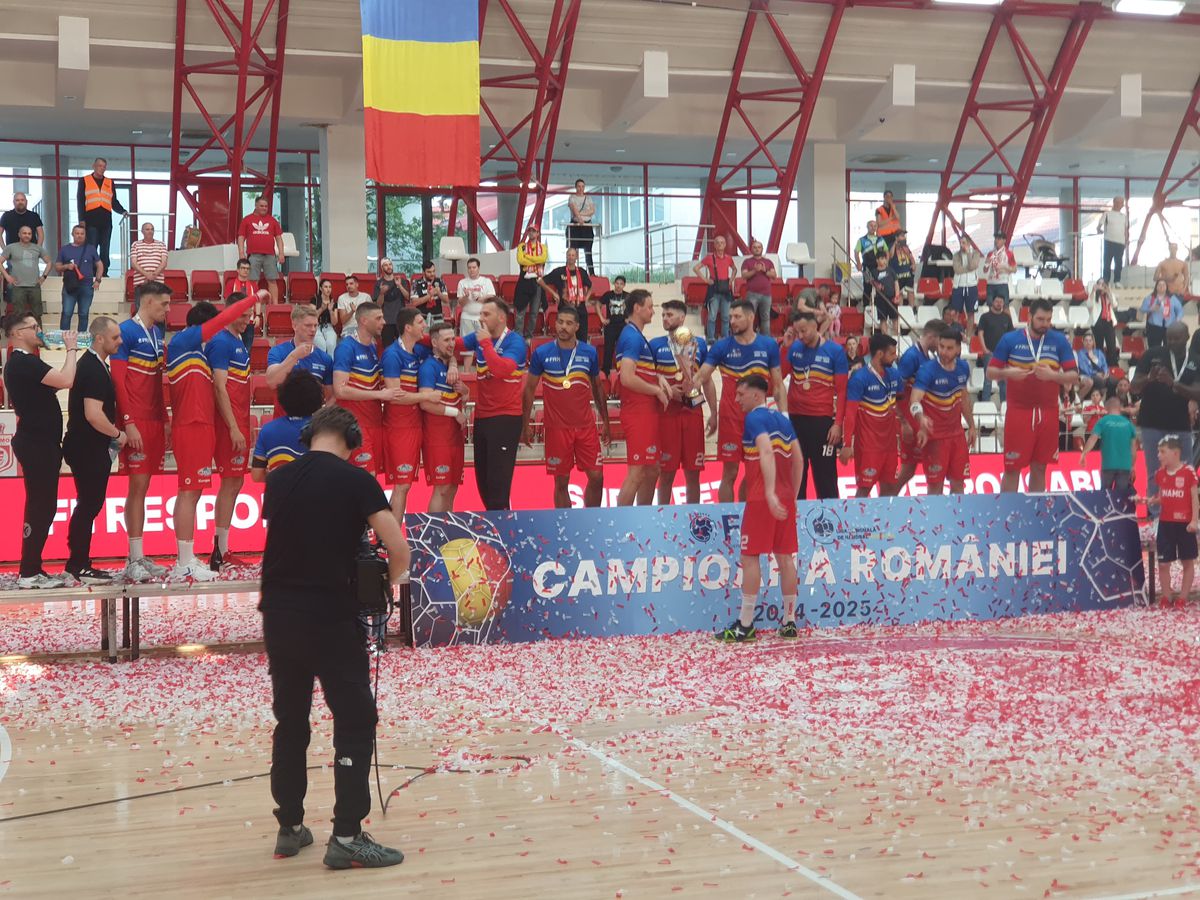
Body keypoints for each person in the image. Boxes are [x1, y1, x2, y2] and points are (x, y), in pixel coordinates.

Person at [259, 404, 408, 870]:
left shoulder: (278, 480)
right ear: (352, 438)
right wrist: (390, 584)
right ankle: (346, 835)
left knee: (291, 719)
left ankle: (290, 826)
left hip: (280, 616)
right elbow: (397, 547)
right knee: (355, 719)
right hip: (330, 615)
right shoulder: (356, 481)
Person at [165, 290, 260, 581]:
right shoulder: (191, 341)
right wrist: (232, 427)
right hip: (196, 424)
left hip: (204, 423)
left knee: (212, 486)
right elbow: (220, 389)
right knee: (190, 490)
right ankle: (186, 561)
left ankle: (212, 552)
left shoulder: (202, 348)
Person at [716, 374, 803, 644]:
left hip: (761, 499)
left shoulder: (754, 418)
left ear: (756, 395)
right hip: (786, 498)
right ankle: (789, 622)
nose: (737, 399)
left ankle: (745, 625)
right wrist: (792, 495)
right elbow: (799, 459)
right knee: (785, 558)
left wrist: (768, 491)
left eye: (740, 394)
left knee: (751, 556)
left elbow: (765, 451)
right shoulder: (783, 420)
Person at [2, 313, 77, 588]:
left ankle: (32, 568)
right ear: (17, 333)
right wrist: (70, 349)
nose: (39, 331)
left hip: (41, 443)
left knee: (43, 506)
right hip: (36, 444)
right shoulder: (23, 363)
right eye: (33, 327)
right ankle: (29, 571)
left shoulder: (25, 362)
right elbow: (67, 379)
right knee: (40, 507)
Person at [696, 300, 786, 504]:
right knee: (730, 472)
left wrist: (784, 418)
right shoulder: (721, 346)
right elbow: (701, 377)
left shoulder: (769, 345)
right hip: (731, 418)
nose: (732, 321)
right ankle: (727, 517)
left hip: (760, 421)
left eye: (737, 317)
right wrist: (693, 395)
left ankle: (747, 513)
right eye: (731, 317)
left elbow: (779, 386)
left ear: (751, 317)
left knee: (756, 471)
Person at [112, 281, 172, 581]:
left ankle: (139, 556)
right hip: (135, 420)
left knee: (144, 489)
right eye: (163, 304)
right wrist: (128, 421)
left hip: (153, 420)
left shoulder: (156, 333)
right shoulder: (126, 331)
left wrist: (163, 417)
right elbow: (119, 380)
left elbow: (157, 382)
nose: (167, 309)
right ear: (147, 302)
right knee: (136, 489)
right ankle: (133, 560)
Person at [987, 298, 1079, 493]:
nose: (1045, 324)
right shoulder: (1010, 339)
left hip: (1048, 412)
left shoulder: (1059, 340)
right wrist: (1007, 373)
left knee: (1040, 467)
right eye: (1040, 319)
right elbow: (990, 372)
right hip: (1019, 412)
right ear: (1029, 317)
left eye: (1048, 319)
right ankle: (1008, 514)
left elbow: (1074, 375)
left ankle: (1035, 515)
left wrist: (1054, 376)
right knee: (1012, 468)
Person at [523, 306, 609, 508]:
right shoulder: (541, 353)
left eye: (569, 323)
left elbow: (597, 388)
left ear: (577, 326)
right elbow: (528, 390)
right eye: (560, 321)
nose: (563, 326)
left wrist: (605, 421)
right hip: (556, 429)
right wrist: (524, 424)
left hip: (586, 427)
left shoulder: (589, 352)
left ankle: (591, 519)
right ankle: (565, 524)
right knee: (561, 482)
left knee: (597, 477)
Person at [63, 316, 126, 584]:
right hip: (87, 448)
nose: (120, 342)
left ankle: (78, 562)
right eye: (115, 337)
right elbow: (93, 414)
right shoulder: (91, 368)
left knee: (88, 505)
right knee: (88, 505)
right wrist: (118, 434)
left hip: (87, 446)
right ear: (99, 339)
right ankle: (78, 564)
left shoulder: (95, 365)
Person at [207, 294, 257, 570]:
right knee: (229, 482)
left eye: (249, 316)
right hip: (229, 425)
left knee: (236, 482)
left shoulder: (238, 341)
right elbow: (219, 387)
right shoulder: (220, 342)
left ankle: (223, 548)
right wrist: (234, 427)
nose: (246, 321)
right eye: (241, 316)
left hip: (240, 420)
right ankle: (219, 552)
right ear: (228, 313)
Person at [381, 307, 444, 521]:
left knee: (405, 485)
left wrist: (452, 363)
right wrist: (426, 397)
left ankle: (389, 540)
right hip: (399, 427)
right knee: (402, 485)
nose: (424, 325)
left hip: (417, 423)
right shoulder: (392, 355)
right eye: (420, 322)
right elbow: (394, 395)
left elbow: (446, 351)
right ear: (408, 328)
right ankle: (390, 543)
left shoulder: (418, 350)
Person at [463, 298, 527, 509]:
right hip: (482, 417)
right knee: (484, 484)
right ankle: (497, 531)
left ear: (501, 317)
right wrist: (417, 337)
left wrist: (485, 344)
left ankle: (502, 537)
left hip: (505, 419)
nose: (480, 318)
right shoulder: (482, 337)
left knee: (498, 486)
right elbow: (453, 344)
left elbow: (501, 370)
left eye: (486, 314)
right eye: (480, 314)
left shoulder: (515, 342)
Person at [651, 300, 715, 504]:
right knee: (666, 473)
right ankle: (662, 517)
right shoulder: (655, 345)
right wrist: (668, 392)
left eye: (669, 315)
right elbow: (649, 378)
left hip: (692, 412)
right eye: (663, 315)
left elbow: (707, 380)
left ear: (682, 318)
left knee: (693, 474)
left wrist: (714, 413)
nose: (665, 318)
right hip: (666, 414)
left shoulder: (698, 344)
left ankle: (692, 518)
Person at [781, 310, 848, 501]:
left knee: (825, 476)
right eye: (797, 332)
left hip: (822, 423)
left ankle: (830, 522)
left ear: (815, 326)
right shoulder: (794, 348)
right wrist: (785, 348)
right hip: (795, 421)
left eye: (804, 331)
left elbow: (842, 391)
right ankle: (797, 522)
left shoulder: (835, 352)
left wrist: (838, 424)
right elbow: (777, 381)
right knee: (797, 475)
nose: (800, 336)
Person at [615, 289, 671, 506]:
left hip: (646, 411)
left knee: (652, 469)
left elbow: (639, 371)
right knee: (637, 472)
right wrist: (656, 390)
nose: (653, 312)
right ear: (637, 308)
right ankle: (622, 525)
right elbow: (627, 378)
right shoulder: (630, 336)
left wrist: (657, 377)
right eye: (650, 307)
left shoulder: (636, 336)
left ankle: (644, 518)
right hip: (637, 412)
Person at [1133, 322, 1198, 496]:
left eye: (1176, 338)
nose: (1171, 342)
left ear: (1186, 338)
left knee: (1185, 472)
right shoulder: (1152, 354)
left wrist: (1173, 383)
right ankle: (1155, 517)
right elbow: (1134, 387)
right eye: (1168, 338)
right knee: (1155, 473)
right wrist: (1148, 378)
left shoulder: (1195, 360)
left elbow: (1198, 393)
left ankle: (1185, 515)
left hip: (1180, 424)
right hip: (1152, 423)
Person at [910, 328, 975, 495]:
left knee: (959, 485)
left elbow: (964, 399)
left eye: (949, 348)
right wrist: (921, 417)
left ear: (959, 349)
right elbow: (914, 400)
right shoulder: (927, 370)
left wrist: (972, 426)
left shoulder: (963, 368)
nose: (943, 352)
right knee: (935, 488)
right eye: (941, 347)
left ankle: (957, 521)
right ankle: (934, 521)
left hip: (957, 435)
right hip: (935, 437)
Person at [839, 332, 902, 499]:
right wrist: (846, 444)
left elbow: (902, 404)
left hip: (889, 444)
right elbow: (850, 413)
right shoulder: (859, 378)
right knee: (864, 489)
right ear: (880, 354)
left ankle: (886, 524)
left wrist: (906, 427)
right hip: (868, 445)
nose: (895, 357)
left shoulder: (894, 375)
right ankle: (856, 525)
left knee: (889, 488)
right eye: (892, 353)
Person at [333, 302, 393, 474]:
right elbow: (340, 390)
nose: (384, 322)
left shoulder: (374, 347)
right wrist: (379, 394)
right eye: (379, 318)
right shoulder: (346, 347)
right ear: (364, 321)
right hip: (355, 424)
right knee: (366, 477)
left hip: (375, 421)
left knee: (371, 481)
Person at [1140, 435, 1198, 608]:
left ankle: (1183, 598)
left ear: (1175, 453)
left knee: (1187, 561)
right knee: (1163, 562)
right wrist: (1151, 500)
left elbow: (1194, 498)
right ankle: (1166, 596)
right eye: (1158, 452)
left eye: (1162, 452)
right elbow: (1162, 496)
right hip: (1165, 524)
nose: (1158, 455)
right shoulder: (1160, 474)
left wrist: (1194, 520)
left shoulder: (1188, 472)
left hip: (1185, 525)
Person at [418, 321, 470, 512]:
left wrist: (465, 391)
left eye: (453, 339)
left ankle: (447, 533)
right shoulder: (428, 368)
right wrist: (455, 412)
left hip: (455, 436)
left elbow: (462, 398)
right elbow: (425, 402)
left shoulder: (450, 366)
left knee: (453, 488)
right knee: (442, 488)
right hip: (437, 438)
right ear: (434, 342)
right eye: (446, 340)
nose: (452, 344)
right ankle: (434, 535)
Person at [895, 320, 949, 492]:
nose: (941, 346)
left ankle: (889, 499)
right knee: (910, 469)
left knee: (913, 469)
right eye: (940, 341)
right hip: (911, 421)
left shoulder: (927, 356)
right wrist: (903, 423)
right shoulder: (911, 356)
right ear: (932, 337)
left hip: (919, 420)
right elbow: (896, 391)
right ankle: (886, 499)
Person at [251, 369, 324, 481]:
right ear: (317, 398)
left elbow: (257, 476)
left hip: (279, 495)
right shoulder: (324, 430)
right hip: (315, 493)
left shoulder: (268, 430)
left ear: (283, 397)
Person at [266, 304, 333, 417]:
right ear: (294, 325)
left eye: (315, 325)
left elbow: (331, 396)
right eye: (308, 325)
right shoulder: (278, 351)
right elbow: (272, 382)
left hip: (311, 426)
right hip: (284, 422)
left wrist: (320, 417)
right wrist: (294, 356)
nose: (313, 330)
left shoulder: (324, 358)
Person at [76, 157, 126, 276]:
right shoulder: (84, 180)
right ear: (94, 166)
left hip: (106, 221)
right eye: (99, 166)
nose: (102, 168)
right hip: (91, 219)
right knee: (92, 246)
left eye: (104, 166)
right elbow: (80, 201)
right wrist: (81, 220)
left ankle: (103, 272)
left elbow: (113, 201)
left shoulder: (109, 182)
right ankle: (91, 272)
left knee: (105, 248)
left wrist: (123, 211)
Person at [1079, 395, 1138, 492]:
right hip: (1125, 466)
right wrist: (1132, 466)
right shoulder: (1128, 424)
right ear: (1119, 408)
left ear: (1106, 408)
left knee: (1105, 497)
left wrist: (1084, 453)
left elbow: (1092, 439)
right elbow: (1133, 448)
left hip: (1108, 465)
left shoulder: (1102, 422)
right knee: (1121, 497)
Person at [55, 223, 104, 331]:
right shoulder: (64, 249)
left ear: (85, 235)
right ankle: (64, 338)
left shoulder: (91, 249)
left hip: (87, 286)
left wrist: (98, 280)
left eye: (82, 233)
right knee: (67, 312)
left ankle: (81, 339)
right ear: (73, 234)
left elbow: (100, 265)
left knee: (83, 314)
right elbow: (57, 267)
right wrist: (67, 266)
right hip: (70, 286)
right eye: (77, 233)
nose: (79, 235)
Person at [236, 195, 284, 306]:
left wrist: (281, 253)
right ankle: (251, 304)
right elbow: (241, 237)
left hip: (270, 255)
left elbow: (279, 238)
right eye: (261, 206)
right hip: (253, 255)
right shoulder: (247, 219)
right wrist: (241, 253)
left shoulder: (272, 220)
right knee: (253, 280)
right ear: (256, 206)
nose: (264, 208)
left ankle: (275, 306)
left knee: (272, 280)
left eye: (266, 206)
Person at [1, 226, 52, 324]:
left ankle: (38, 336)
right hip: (18, 286)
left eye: (29, 233)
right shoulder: (11, 247)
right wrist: (7, 277)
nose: (27, 235)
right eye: (24, 233)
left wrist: (43, 277)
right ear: (19, 234)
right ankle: (18, 336)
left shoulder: (37, 248)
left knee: (37, 314)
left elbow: (49, 262)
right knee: (18, 315)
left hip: (34, 286)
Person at [541, 248, 593, 338]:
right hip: (565, 310)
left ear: (576, 257)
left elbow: (590, 286)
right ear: (566, 256)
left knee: (582, 338)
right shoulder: (559, 271)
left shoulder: (581, 272)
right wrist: (553, 293)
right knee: (566, 337)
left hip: (580, 309)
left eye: (573, 255)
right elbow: (541, 281)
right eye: (569, 255)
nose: (571, 257)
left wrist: (586, 299)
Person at [694, 234, 736, 343]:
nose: (720, 245)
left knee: (726, 316)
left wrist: (731, 280)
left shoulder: (729, 258)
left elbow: (734, 269)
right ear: (714, 245)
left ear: (725, 245)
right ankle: (711, 338)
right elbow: (696, 268)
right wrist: (706, 280)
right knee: (712, 316)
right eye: (717, 242)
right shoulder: (709, 258)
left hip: (726, 290)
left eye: (722, 242)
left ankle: (725, 338)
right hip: (714, 290)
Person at [976, 294, 1014, 404]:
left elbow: (1011, 336)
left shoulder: (1007, 317)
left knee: (1004, 381)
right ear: (992, 302)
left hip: (1003, 354)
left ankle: (1004, 405)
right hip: (990, 353)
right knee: (988, 381)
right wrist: (984, 349)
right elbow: (980, 333)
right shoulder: (985, 317)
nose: (999, 303)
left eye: (1001, 302)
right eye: (997, 301)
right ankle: (985, 405)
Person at [514, 225, 548, 340]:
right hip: (524, 280)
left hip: (537, 281)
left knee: (534, 312)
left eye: (534, 231)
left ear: (538, 233)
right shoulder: (522, 246)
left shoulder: (543, 247)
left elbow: (542, 259)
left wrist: (527, 257)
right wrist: (534, 260)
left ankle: (529, 336)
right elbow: (520, 260)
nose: (531, 233)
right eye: (530, 231)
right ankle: (518, 336)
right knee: (520, 311)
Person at [948, 236, 983, 338]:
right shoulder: (956, 255)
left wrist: (968, 253)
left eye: (963, 242)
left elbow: (973, 265)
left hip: (971, 285)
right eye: (960, 243)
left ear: (968, 243)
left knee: (971, 313)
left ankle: (968, 337)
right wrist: (969, 268)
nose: (961, 245)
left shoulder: (975, 254)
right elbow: (957, 270)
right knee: (954, 311)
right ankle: (956, 334)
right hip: (958, 285)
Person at [740, 240, 776, 335]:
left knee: (766, 318)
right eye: (755, 247)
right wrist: (755, 270)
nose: (757, 249)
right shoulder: (747, 262)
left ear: (762, 249)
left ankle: (765, 340)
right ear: (752, 249)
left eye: (759, 247)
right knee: (750, 317)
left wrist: (765, 271)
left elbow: (774, 275)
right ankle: (748, 337)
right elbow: (744, 276)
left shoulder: (768, 262)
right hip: (752, 294)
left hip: (766, 294)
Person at [225, 257, 265, 342]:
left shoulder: (253, 285)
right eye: (243, 268)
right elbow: (228, 301)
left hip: (249, 321)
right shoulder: (231, 283)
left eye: (247, 269)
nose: (245, 270)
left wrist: (257, 316)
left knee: (247, 349)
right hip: (234, 320)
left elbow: (257, 302)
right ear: (238, 270)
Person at [596, 274, 629, 373]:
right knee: (608, 349)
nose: (619, 285)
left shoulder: (628, 296)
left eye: (621, 284)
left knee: (622, 348)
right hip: (610, 325)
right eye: (617, 283)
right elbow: (598, 304)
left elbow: (635, 307)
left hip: (623, 325)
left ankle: (622, 370)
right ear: (614, 284)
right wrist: (602, 318)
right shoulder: (608, 295)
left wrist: (630, 319)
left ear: (624, 285)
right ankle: (606, 371)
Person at [373, 259, 410, 347]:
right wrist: (382, 293)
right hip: (386, 321)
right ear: (382, 268)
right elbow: (378, 305)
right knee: (388, 347)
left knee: (403, 346)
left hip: (400, 320)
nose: (389, 267)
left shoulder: (401, 280)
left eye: (390, 264)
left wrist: (399, 285)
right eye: (386, 265)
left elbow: (407, 297)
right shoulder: (379, 283)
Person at [455, 257, 495, 337]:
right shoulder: (462, 282)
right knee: (466, 345)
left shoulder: (486, 281)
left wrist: (481, 297)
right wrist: (465, 296)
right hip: (467, 317)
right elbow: (460, 302)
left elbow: (492, 297)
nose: (471, 270)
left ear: (478, 268)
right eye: (469, 268)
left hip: (482, 317)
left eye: (474, 267)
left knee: (483, 343)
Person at [1140, 278, 1183, 349]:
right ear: (1156, 287)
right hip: (1154, 326)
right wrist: (1151, 309)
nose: (1161, 287)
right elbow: (1142, 309)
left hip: (1169, 326)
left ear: (1166, 287)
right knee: (1154, 347)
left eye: (1163, 285)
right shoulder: (1150, 298)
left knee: (1169, 347)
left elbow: (1180, 310)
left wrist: (1178, 319)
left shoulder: (1172, 298)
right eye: (1159, 285)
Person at [853, 221, 887, 310]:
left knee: (880, 287)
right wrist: (858, 263)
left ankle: (879, 307)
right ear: (867, 227)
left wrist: (886, 262)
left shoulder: (880, 239)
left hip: (880, 268)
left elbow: (886, 251)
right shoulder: (862, 240)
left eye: (875, 226)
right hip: (868, 267)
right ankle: (865, 307)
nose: (873, 227)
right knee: (867, 287)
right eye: (871, 226)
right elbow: (856, 252)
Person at [566, 178, 596, 271]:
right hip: (575, 226)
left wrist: (581, 214)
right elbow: (574, 210)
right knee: (572, 250)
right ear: (576, 187)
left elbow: (592, 211)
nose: (581, 188)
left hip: (587, 226)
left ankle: (591, 272)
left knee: (588, 250)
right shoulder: (572, 198)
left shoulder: (588, 198)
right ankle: (569, 270)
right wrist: (579, 217)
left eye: (582, 186)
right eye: (579, 186)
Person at [128, 222, 168, 287]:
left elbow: (164, 263)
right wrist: (147, 275)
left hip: (158, 284)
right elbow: (133, 263)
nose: (150, 231)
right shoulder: (135, 244)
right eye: (147, 229)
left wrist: (153, 275)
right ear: (142, 231)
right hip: (140, 283)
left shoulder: (162, 244)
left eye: (152, 229)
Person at [410, 259, 448, 326]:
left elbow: (446, 300)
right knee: (424, 336)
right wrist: (429, 295)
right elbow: (414, 303)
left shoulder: (440, 281)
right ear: (423, 272)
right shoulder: (416, 283)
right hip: (422, 318)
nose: (432, 274)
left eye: (433, 271)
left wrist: (439, 293)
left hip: (438, 317)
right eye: (429, 272)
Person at [1091, 279, 1119, 367]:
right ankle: (1100, 365)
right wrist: (1093, 291)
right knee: (1099, 346)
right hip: (1098, 323)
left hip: (1109, 321)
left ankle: (1112, 366)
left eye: (1103, 284)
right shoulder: (1094, 295)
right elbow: (1089, 305)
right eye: (1099, 284)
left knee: (1111, 345)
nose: (1101, 286)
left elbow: (1114, 305)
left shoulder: (1109, 294)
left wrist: (1109, 292)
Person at [1099, 197, 1127, 285]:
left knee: (1118, 263)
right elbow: (1099, 226)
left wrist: (1126, 241)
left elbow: (1126, 230)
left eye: (1122, 203)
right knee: (1107, 262)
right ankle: (1106, 280)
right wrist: (1099, 230)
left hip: (1120, 243)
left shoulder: (1124, 217)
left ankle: (1117, 281)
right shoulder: (1107, 214)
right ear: (1114, 202)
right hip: (1109, 241)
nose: (1121, 204)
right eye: (1119, 202)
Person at [983, 231, 1016, 307]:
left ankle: (1007, 319)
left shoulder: (1009, 253)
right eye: (996, 238)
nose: (996, 240)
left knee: (1004, 307)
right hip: (991, 283)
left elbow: (1014, 269)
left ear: (1004, 240)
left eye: (999, 239)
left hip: (1002, 283)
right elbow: (985, 270)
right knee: (990, 307)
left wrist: (1004, 268)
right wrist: (987, 263)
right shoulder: (991, 253)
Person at [871, 254, 899, 336]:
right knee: (883, 319)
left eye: (885, 259)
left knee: (895, 319)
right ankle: (885, 338)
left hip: (892, 297)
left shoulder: (890, 270)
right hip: (880, 298)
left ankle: (897, 337)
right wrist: (876, 285)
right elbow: (870, 281)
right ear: (877, 260)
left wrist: (897, 296)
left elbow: (896, 283)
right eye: (882, 258)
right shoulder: (874, 272)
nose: (884, 261)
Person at [1076, 332, 1110, 398]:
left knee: (1113, 382)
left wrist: (1105, 372)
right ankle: (1097, 398)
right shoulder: (1080, 354)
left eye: (1090, 340)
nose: (1088, 342)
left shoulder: (1098, 352)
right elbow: (1084, 369)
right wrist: (1096, 374)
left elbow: (1104, 365)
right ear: (1083, 342)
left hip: (1101, 374)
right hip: (1087, 375)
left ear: (1093, 342)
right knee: (1100, 381)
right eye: (1086, 340)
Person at [337, 275, 369, 342]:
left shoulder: (366, 297)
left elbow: (371, 315)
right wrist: (352, 311)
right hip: (348, 329)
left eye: (351, 283)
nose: (348, 286)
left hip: (363, 328)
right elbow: (343, 320)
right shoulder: (342, 298)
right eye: (347, 284)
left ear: (357, 284)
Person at [889, 231, 917, 308]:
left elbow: (911, 256)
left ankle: (912, 308)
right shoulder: (891, 245)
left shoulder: (905, 246)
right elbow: (890, 256)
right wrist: (895, 244)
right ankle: (900, 309)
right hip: (897, 274)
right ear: (896, 237)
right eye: (902, 236)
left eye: (904, 236)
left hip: (907, 273)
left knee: (910, 291)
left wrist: (913, 264)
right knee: (899, 292)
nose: (904, 237)